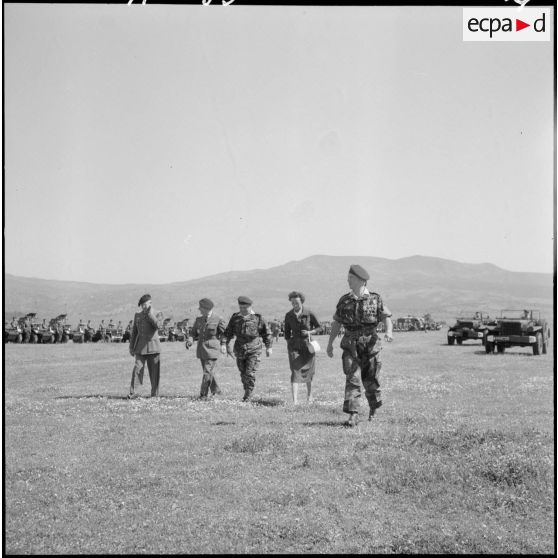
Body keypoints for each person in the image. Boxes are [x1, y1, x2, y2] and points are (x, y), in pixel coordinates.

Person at [326, 264, 393, 427]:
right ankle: (353, 414)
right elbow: (337, 323)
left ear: (361, 281)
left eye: (351, 278)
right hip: (350, 345)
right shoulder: (344, 300)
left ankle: (373, 409)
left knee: (370, 380)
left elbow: (386, 317)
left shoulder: (375, 299)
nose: (348, 281)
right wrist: (330, 343)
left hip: (370, 345)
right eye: (348, 278)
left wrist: (389, 331)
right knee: (352, 379)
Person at [223, 296, 272, 401]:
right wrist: (224, 344)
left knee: (249, 373)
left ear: (250, 306)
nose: (243, 310)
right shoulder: (235, 318)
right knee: (243, 373)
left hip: (254, 349)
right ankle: (247, 390)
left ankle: (248, 394)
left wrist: (269, 347)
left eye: (245, 307)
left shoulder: (258, 318)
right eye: (241, 307)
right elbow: (228, 332)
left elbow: (266, 333)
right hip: (240, 349)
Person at [284, 291, 321, 405]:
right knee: (295, 372)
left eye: (297, 302)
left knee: (309, 371)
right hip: (294, 347)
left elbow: (319, 328)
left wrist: (310, 332)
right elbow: (286, 333)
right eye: (292, 302)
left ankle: (309, 396)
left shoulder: (309, 313)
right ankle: (295, 401)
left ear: (302, 301)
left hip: (307, 346)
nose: (294, 304)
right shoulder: (288, 315)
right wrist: (290, 342)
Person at [187, 298, 227, 400]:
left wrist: (223, 344)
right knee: (209, 372)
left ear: (206, 308)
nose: (199, 309)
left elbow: (224, 334)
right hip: (201, 349)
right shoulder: (199, 320)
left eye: (200, 308)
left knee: (207, 372)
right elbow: (193, 333)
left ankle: (203, 395)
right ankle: (216, 390)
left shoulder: (218, 319)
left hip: (212, 350)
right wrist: (190, 341)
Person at [128, 294, 163, 399]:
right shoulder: (137, 315)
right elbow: (134, 332)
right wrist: (131, 347)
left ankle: (154, 394)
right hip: (140, 347)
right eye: (142, 305)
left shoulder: (158, 313)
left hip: (153, 347)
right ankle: (133, 393)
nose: (143, 307)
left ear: (150, 303)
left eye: (145, 304)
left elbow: (158, 326)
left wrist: (150, 314)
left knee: (154, 372)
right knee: (137, 369)